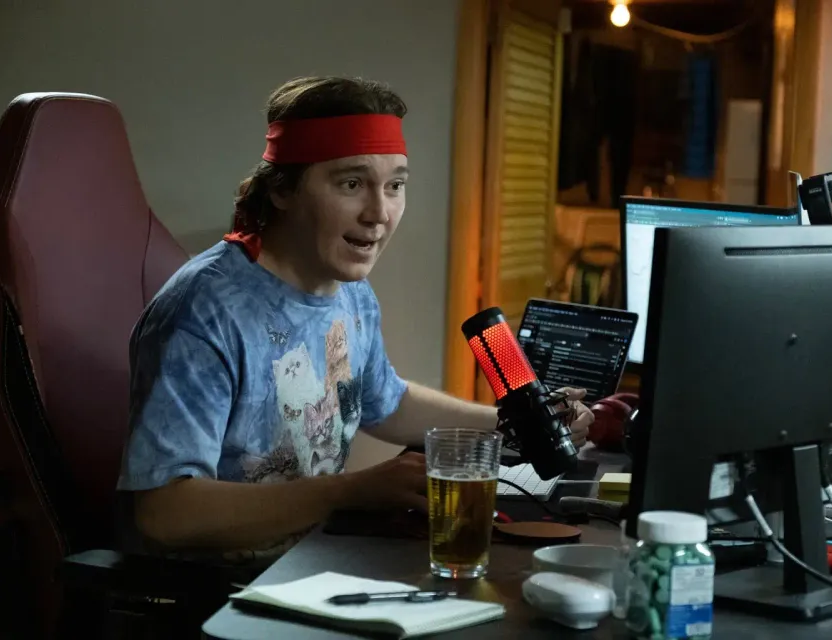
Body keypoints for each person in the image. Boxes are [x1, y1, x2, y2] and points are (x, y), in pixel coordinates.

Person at [116, 76, 593, 569]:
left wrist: (518, 424)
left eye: (395, 186)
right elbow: (164, 512)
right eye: (351, 183)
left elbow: (383, 401)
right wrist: (350, 491)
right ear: (282, 190)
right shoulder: (204, 310)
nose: (379, 213)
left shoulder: (350, 291)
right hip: (220, 596)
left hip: (317, 563)